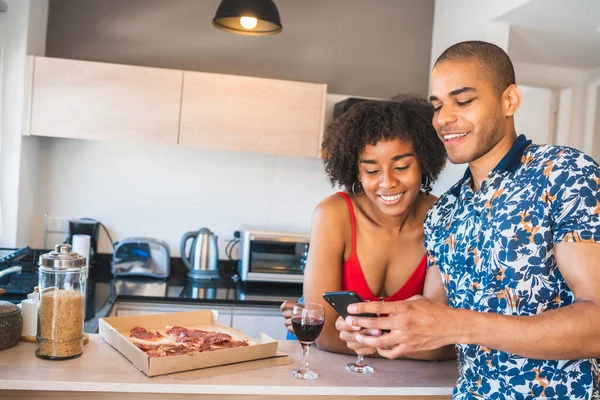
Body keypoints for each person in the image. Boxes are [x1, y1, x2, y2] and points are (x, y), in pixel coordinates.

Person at [338, 40, 600, 399]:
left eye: (463, 101)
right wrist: (380, 330)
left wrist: (459, 324)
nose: (444, 118)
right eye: (438, 105)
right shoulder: (444, 212)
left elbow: (597, 324)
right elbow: (434, 319)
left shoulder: (565, 174)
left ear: (509, 101)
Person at [280, 98, 448, 357]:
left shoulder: (442, 218)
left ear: (423, 162)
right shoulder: (334, 215)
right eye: (371, 171)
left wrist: (364, 342)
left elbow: (435, 341)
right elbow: (324, 334)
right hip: (328, 369)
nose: (387, 182)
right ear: (356, 172)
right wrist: (401, 343)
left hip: (403, 382)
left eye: (401, 167)